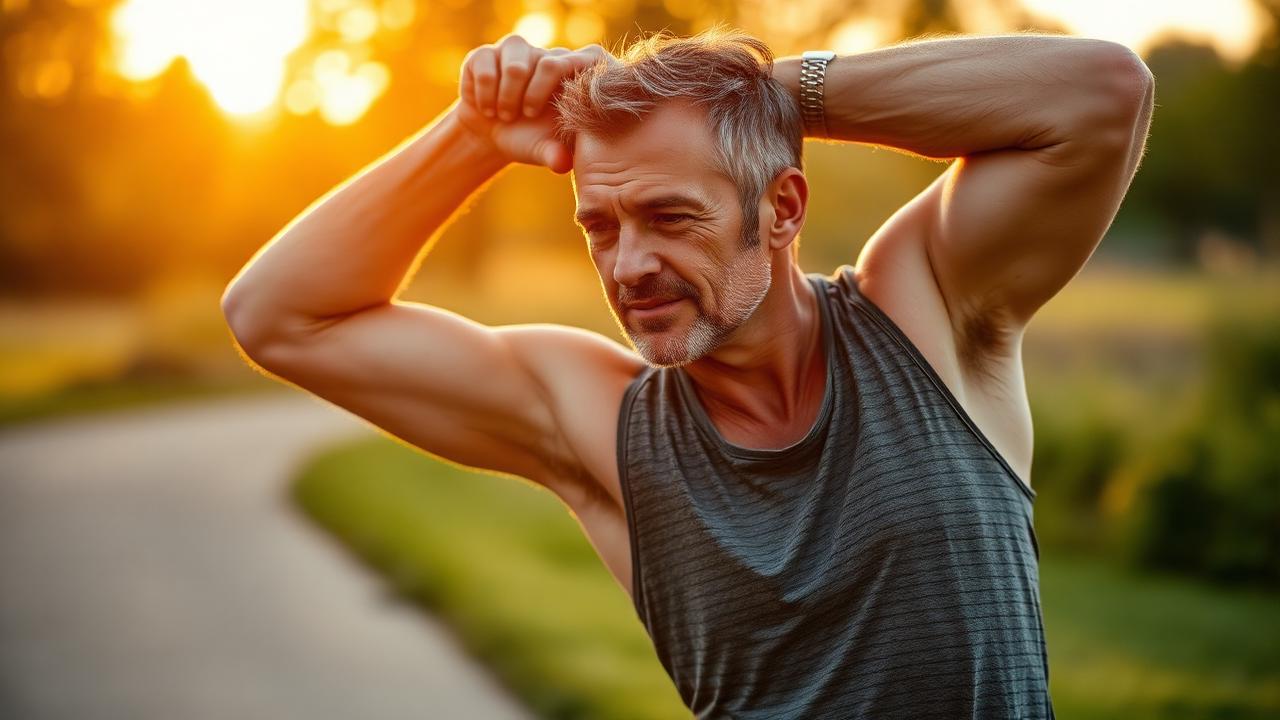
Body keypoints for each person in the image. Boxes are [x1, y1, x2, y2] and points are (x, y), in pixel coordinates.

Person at [222, 24, 1153, 719]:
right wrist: (474, 133)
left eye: (670, 217)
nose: (628, 266)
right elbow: (276, 315)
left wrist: (758, 96)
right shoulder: (596, 418)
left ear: (781, 208)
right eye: (600, 227)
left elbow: (1103, 94)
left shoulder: (925, 310)